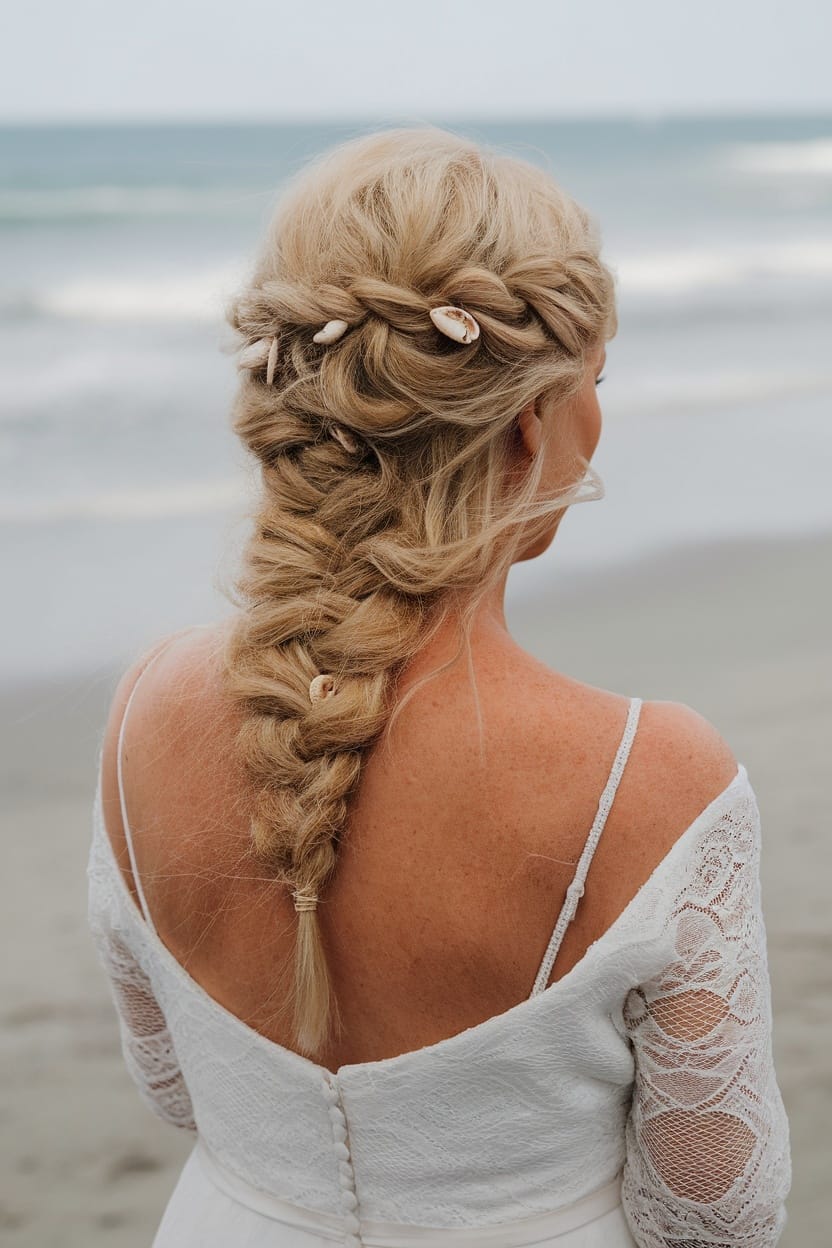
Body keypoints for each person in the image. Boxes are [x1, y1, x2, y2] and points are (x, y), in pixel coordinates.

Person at [87, 125, 791, 1247]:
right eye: (592, 378)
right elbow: (713, 1205)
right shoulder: (647, 778)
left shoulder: (143, 711)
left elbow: (175, 1089)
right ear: (530, 424)